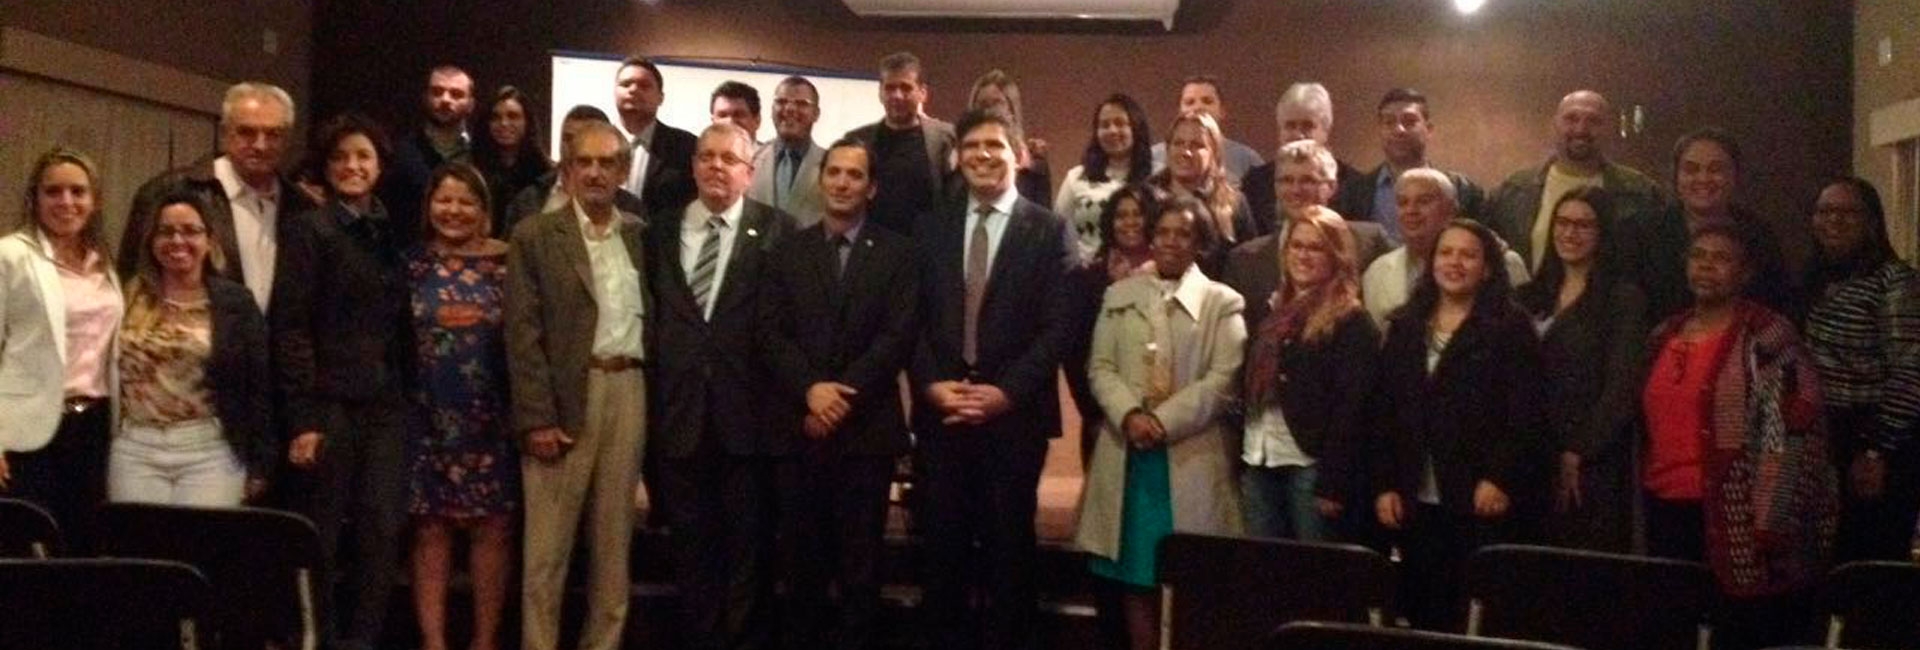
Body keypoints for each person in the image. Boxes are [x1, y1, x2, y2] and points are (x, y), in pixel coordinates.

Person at [913, 109, 1079, 650]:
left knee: (1010, 550)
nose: (983, 155)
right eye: (973, 146)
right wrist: (931, 384)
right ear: (957, 156)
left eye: (996, 146)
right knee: (942, 548)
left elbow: (1059, 327)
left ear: (1019, 156)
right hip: (942, 410)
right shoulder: (930, 224)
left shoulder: (1049, 229)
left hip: (1014, 415)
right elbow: (907, 319)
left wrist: (1005, 392)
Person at [1639, 224, 1836, 649]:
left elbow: (1790, 430)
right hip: (1664, 510)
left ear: (1745, 273)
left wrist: (1771, 519)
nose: (1707, 266)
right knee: (1672, 630)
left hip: (1739, 518)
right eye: (1698, 256)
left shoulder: (1765, 336)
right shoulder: (1662, 335)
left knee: (1739, 633)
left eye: (1721, 258)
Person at [759, 138, 917, 650]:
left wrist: (839, 398)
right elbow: (770, 333)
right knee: (801, 566)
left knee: (860, 567)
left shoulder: (899, 253)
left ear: (871, 188)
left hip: (865, 432)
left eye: (855, 176)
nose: (843, 183)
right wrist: (810, 391)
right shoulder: (786, 250)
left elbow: (897, 337)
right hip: (799, 426)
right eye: (835, 173)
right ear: (821, 179)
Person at [647, 122, 797, 650]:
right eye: (706, 157)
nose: (716, 166)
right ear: (692, 166)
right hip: (679, 416)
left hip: (749, 420)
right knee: (691, 547)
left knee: (746, 548)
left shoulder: (779, 230)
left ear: (749, 172)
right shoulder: (658, 230)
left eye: (728, 159)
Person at [1077, 196, 1247, 650]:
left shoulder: (1222, 302)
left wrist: (1162, 422)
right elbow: (1100, 367)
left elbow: (1222, 380)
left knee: (1187, 579)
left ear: (1200, 243)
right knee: (1135, 576)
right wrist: (1131, 416)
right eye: (1164, 232)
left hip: (1188, 456)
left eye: (1183, 234)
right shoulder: (1118, 295)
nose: (1171, 242)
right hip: (1128, 457)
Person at [505, 119, 649, 650]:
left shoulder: (638, 233)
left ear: (623, 171)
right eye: (583, 162)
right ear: (566, 171)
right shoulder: (536, 236)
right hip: (565, 396)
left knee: (614, 553)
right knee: (547, 555)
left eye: (606, 163)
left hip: (628, 391)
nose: (594, 172)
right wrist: (537, 417)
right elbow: (522, 336)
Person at [272, 113, 412, 650]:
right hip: (328, 404)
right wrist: (303, 418)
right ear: (326, 168)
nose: (352, 167)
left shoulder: (386, 228)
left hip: (385, 406)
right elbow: (291, 328)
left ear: (379, 166)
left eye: (363, 157)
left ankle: (364, 641)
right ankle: (319, 640)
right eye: (340, 158)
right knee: (322, 537)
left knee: (381, 534)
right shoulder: (311, 230)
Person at [1372, 219, 1548, 631]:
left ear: (1487, 268)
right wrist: (1385, 484)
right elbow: (1384, 412)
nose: (1455, 262)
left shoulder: (1510, 327)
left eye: (1468, 254)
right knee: (1420, 607)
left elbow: (1527, 413)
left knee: (1473, 609)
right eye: (1446, 252)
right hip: (1415, 493)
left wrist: (1500, 477)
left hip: (1478, 494)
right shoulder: (1405, 325)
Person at [405, 163, 518, 650]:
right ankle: (433, 642)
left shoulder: (508, 262)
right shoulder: (410, 263)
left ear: (484, 210)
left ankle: (484, 641)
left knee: (492, 529)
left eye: (466, 202)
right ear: (429, 206)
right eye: (444, 200)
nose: (453, 211)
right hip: (424, 412)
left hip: (491, 414)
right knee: (430, 530)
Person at [110, 190, 270, 507]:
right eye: (166, 231)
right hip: (135, 447)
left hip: (209, 448)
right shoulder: (126, 293)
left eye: (190, 231)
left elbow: (259, 386)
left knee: (198, 552)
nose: (177, 240)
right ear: (151, 242)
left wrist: (262, 464)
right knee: (135, 552)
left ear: (210, 240)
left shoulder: (236, 302)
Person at [0, 147, 124, 552]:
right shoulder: (12, 254)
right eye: (54, 192)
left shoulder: (102, 262)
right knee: (28, 546)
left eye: (78, 191)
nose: (66, 202)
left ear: (95, 200)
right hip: (26, 430)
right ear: (35, 198)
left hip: (93, 427)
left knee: (83, 545)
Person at [1232, 210, 1380, 541]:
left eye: (1316, 248)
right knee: (1265, 573)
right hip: (1259, 456)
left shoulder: (1352, 321)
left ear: (1337, 256)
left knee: (1313, 577)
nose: (1303, 255)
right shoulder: (1269, 313)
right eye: (1296, 246)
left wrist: (1334, 481)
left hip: (1313, 468)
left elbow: (1352, 408)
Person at [1514, 188, 1647, 552]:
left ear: (1603, 233)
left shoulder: (1622, 299)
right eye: (1563, 222)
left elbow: (1622, 386)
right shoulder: (1528, 296)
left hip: (1591, 458)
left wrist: (1579, 450)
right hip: (1531, 452)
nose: (1570, 233)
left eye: (1584, 225)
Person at [1800, 177, 1920, 564]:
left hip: (1876, 435)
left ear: (1872, 221)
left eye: (1847, 212)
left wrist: (1876, 447)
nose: (1833, 220)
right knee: (1827, 557)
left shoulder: (1893, 280)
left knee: (1869, 560)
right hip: (1825, 432)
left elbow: (1910, 368)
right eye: (1824, 211)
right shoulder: (1817, 278)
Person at [120, 82, 315, 313]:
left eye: (273, 134)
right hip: (193, 344)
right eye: (246, 132)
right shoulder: (170, 191)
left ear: (287, 139)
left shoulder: (302, 207)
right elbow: (133, 279)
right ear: (224, 133)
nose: (260, 145)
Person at [1620, 128, 1795, 322]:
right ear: (1676, 177)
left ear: (1734, 176)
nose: (1703, 179)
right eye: (1691, 169)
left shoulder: (1757, 235)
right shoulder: (1639, 232)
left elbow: (1777, 305)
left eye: (1716, 169)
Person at [1484, 89, 1668, 271]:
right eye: (1571, 119)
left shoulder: (1641, 195)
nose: (1581, 129)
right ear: (1554, 124)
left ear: (1609, 128)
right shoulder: (1512, 192)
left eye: (1593, 121)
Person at [1065, 186, 1159, 470]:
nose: (1130, 222)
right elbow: (1074, 353)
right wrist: (1096, 412)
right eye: (1121, 215)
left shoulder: (1173, 275)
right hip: (1102, 417)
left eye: (1138, 214)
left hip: (1162, 417)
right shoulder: (1087, 279)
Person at [1363, 169, 1531, 326]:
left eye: (1423, 201)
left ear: (1452, 209)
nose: (1411, 210)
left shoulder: (1506, 263)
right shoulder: (1378, 272)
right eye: (1403, 202)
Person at [1332, 88, 1486, 244]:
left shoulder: (1462, 191)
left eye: (1409, 121)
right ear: (1380, 130)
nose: (1399, 130)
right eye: (1389, 122)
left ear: (1429, 129)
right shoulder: (1353, 193)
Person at [845, 51, 955, 237]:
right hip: (873, 249)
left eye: (906, 88)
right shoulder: (858, 140)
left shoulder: (945, 138)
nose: (897, 95)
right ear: (880, 92)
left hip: (926, 249)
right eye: (890, 88)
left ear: (922, 93)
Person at [1145, 110, 1254, 275]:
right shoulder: (1145, 197)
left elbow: (1248, 266)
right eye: (1178, 143)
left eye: (1197, 145)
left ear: (1214, 153)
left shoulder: (1235, 203)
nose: (1186, 152)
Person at [1244, 82, 1365, 231]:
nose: (1298, 134)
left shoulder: (1354, 185)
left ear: (1326, 130)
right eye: (1290, 126)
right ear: (1279, 130)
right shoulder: (1255, 183)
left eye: (1307, 126)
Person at [503, 104, 645, 229]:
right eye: (568, 138)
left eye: (584, 138)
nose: (573, 146)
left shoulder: (630, 207)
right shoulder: (529, 199)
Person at [383, 65, 478, 244]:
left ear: (471, 104)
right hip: (410, 259)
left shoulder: (483, 155)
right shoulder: (399, 153)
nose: (445, 100)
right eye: (437, 92)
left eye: (456, 94)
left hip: (472, 259)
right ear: (425, 97)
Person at [1263, 140, 1392, 269]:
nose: (1296, 190)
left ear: (1331, 187)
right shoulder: (1251, 255)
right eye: (1286, 181)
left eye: (1308, 181)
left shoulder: (1369, 243)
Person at [1053, 94, 1153, 259]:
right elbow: (1058, 231)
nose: (1112, 130)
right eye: (1104, 125)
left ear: (1136, 127)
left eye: (1120, 123)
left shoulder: (1155, 177)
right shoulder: (1076, 177)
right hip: (1087, 276)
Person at [616, 55, 700, 219]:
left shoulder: (686, 146)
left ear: (661, 98)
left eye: (644, 85)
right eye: (625, 84)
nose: (633, 90)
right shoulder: (594, 143)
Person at [1149, 75, 1263, 183]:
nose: (1198, 107)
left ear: (1222, 111)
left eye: (1207, 101)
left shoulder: (1247, 160)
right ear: (1179, 111)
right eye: (1190, 102)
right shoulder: (1154, 157)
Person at [472, 85, 553, 237]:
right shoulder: (473, 170)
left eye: (513, 116)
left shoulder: (545, 174)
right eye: (495, 117)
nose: (504, 123)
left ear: (527, 121)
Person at [747, 76, 828, 226]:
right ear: (771, 110)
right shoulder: (749, 160)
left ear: (816, 113)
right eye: (781, 102)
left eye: (802, 103)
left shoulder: (830, 166)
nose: (789, 109)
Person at [967, 69, 1050, 204]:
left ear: (1011, 108)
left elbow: (1044, 216)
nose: (989, 111)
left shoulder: (1033, 163)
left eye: (997, 103)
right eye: (982, 104)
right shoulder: (959, 160)